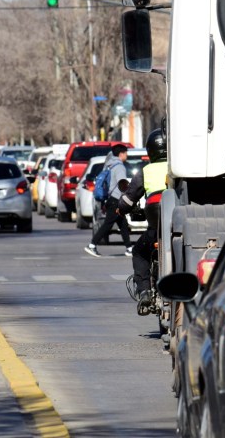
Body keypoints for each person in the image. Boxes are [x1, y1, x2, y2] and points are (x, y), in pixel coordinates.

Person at [119, 129, 168, 315]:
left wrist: (121, 209)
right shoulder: (178, 166)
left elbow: (128, 199)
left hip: (155, 227)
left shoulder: (146, 171)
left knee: (139, 252)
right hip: (180, 227)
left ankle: (145, 292)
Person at [84, 144, 133, 257]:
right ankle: (92, 245)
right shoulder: (120, 166)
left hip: (112, 198)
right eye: (126, 153)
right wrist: (128, 195)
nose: (127, 155)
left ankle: (129, 248)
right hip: (116, 199)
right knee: (108, 224)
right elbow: (122, 184)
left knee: (123, 224)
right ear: (121, 154)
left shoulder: (111, 165)